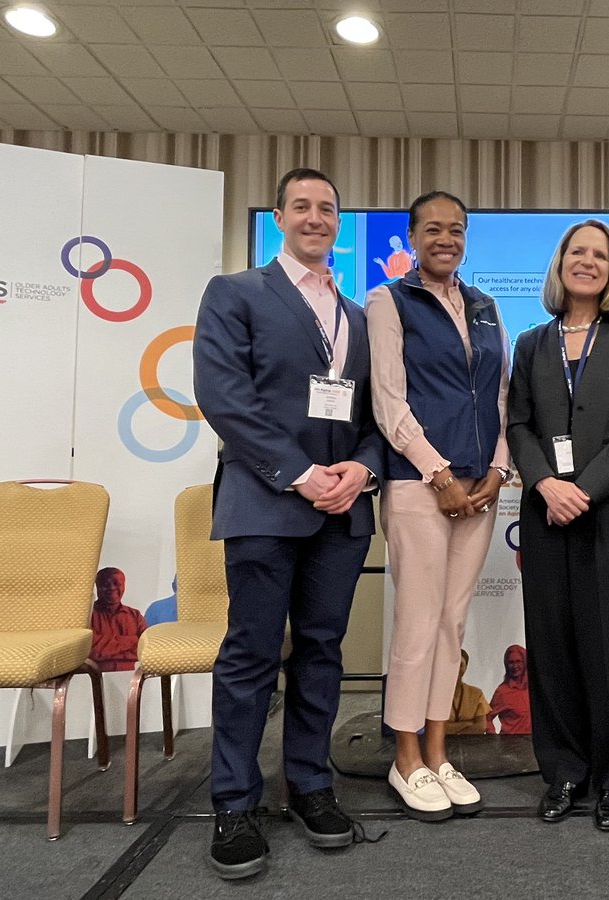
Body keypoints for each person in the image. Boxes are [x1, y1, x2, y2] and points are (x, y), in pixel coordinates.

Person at [193, 167, 385, 879]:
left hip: (342, 511)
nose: (315, 218)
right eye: (301, 206)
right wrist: (302, 474)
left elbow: (376, 414)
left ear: (338, 222)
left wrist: (362, 470)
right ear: (279, 218)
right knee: (250, 655)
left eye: (327, 208)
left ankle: (309, 783)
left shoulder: (358, 317)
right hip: (266, 504)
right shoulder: (236, 293)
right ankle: (234, 802)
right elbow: (224, 396)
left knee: (322, 651)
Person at [508, 219, 609, 832]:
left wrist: (584, 489)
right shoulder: (531, 343)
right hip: (545, 511)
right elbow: (518, 424)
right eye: (577, 251)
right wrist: (547, 483)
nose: (587, 261)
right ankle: (564, 771)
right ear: (561, 263)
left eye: (600, 254)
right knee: (551, 645)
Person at [366, 189, 510, 822]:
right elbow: (388, 401)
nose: (445, 239)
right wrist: (439, 472)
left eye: (455, 229)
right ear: (412, 238)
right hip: (418, 485)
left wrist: (499, 469)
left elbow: (501, 397)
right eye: (432, 229)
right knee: (418, 623)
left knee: (452, 624)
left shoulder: (485, 306)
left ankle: (438, 750)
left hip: (480, 488)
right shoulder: (388, 301)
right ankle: (404, 757)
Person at [89, 567, 146, 672]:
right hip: (92, 677)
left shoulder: (135, 616)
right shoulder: (87, 616)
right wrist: (133, 640)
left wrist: (106, 647)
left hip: (130, 675)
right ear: (97, 586)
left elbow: (145, 648)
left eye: (117, 583)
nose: (111, 588)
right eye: (105, 584)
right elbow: (91, 650)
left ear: (124, 586)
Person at [488, 643, 531, 736]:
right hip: (510, 743)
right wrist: (492, 738)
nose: (515, 666)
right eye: (511, 662)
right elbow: (487, 717)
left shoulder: (532, 688)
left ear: (525, 662)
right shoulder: (502, 692)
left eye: (518, 661)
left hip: (533, 743)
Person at [447, 649, 493, 735]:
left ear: (466, 668)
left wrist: (452, 729)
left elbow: (481, 727)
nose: (456, 669)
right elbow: (436, 728)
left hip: (470, 742)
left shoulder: (476, 694)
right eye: (453, 664)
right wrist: (467, 723)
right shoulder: (436, 694)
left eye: (460, 665)